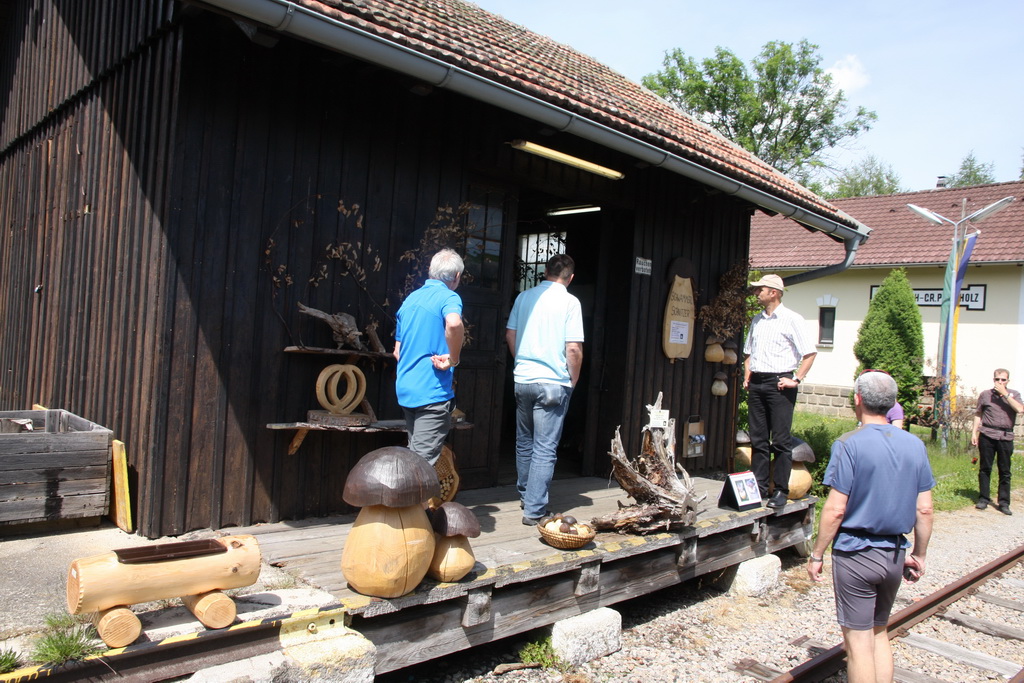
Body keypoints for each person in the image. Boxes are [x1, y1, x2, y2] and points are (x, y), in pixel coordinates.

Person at [807, 371, 934, 683]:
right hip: (894, 553)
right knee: (879, 633)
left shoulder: (849, 444)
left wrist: (817, 554)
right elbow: (925, 508)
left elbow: (835, 509)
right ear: (891, 404)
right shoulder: (914, 445)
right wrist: (918, 553)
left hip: (856, 553)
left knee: (858, 642)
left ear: (858, 400)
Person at [506, 254, 584, 526]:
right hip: (553, 382)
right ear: (570, 278)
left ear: (546, 271)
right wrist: (572, 382)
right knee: (545, 448)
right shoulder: (570, 302)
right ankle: (535, 510)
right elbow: (573, 348)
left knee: (525, 441)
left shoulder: (524, 298)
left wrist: (522, 363)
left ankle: (527, 497)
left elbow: (511, 335)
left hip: (524, 379)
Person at [743, 274, 816, 508]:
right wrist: (747, 376)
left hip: (779, 383)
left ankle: (781, 491)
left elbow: (809, 353)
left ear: (773, 292)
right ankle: (760, 488)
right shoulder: (757, 320)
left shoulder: (792, 319)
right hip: (757, 381)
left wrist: (796, 379)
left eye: (760, 290)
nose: (757, 293)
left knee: (781, 440)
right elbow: (749, 351)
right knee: (758, 439)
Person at [393, 249, 465, 466]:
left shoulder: (410, 300)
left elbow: (397, 351)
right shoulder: (449, 296)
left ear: (430, 272)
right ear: (457, 277)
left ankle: (413, 499)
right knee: (420, 467)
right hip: (431, 391)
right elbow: (454, 323)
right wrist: (453, 359)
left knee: (413, 459)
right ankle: (411, 500)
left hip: (406, 388)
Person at [971, 368, 1023, 515]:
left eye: (1003, 380)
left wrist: (1005, 395)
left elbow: (1020, 409)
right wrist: (974, 432)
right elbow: (978, 414)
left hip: (1005, 436)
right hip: (987, 434)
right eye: (997, 379)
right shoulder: (985, 395)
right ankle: (983, 499)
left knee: (1005, 471)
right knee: (985, 468)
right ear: (993, 380)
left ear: (1008, 381)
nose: (1000, 382)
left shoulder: (1014, 395)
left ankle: (1004, 502)